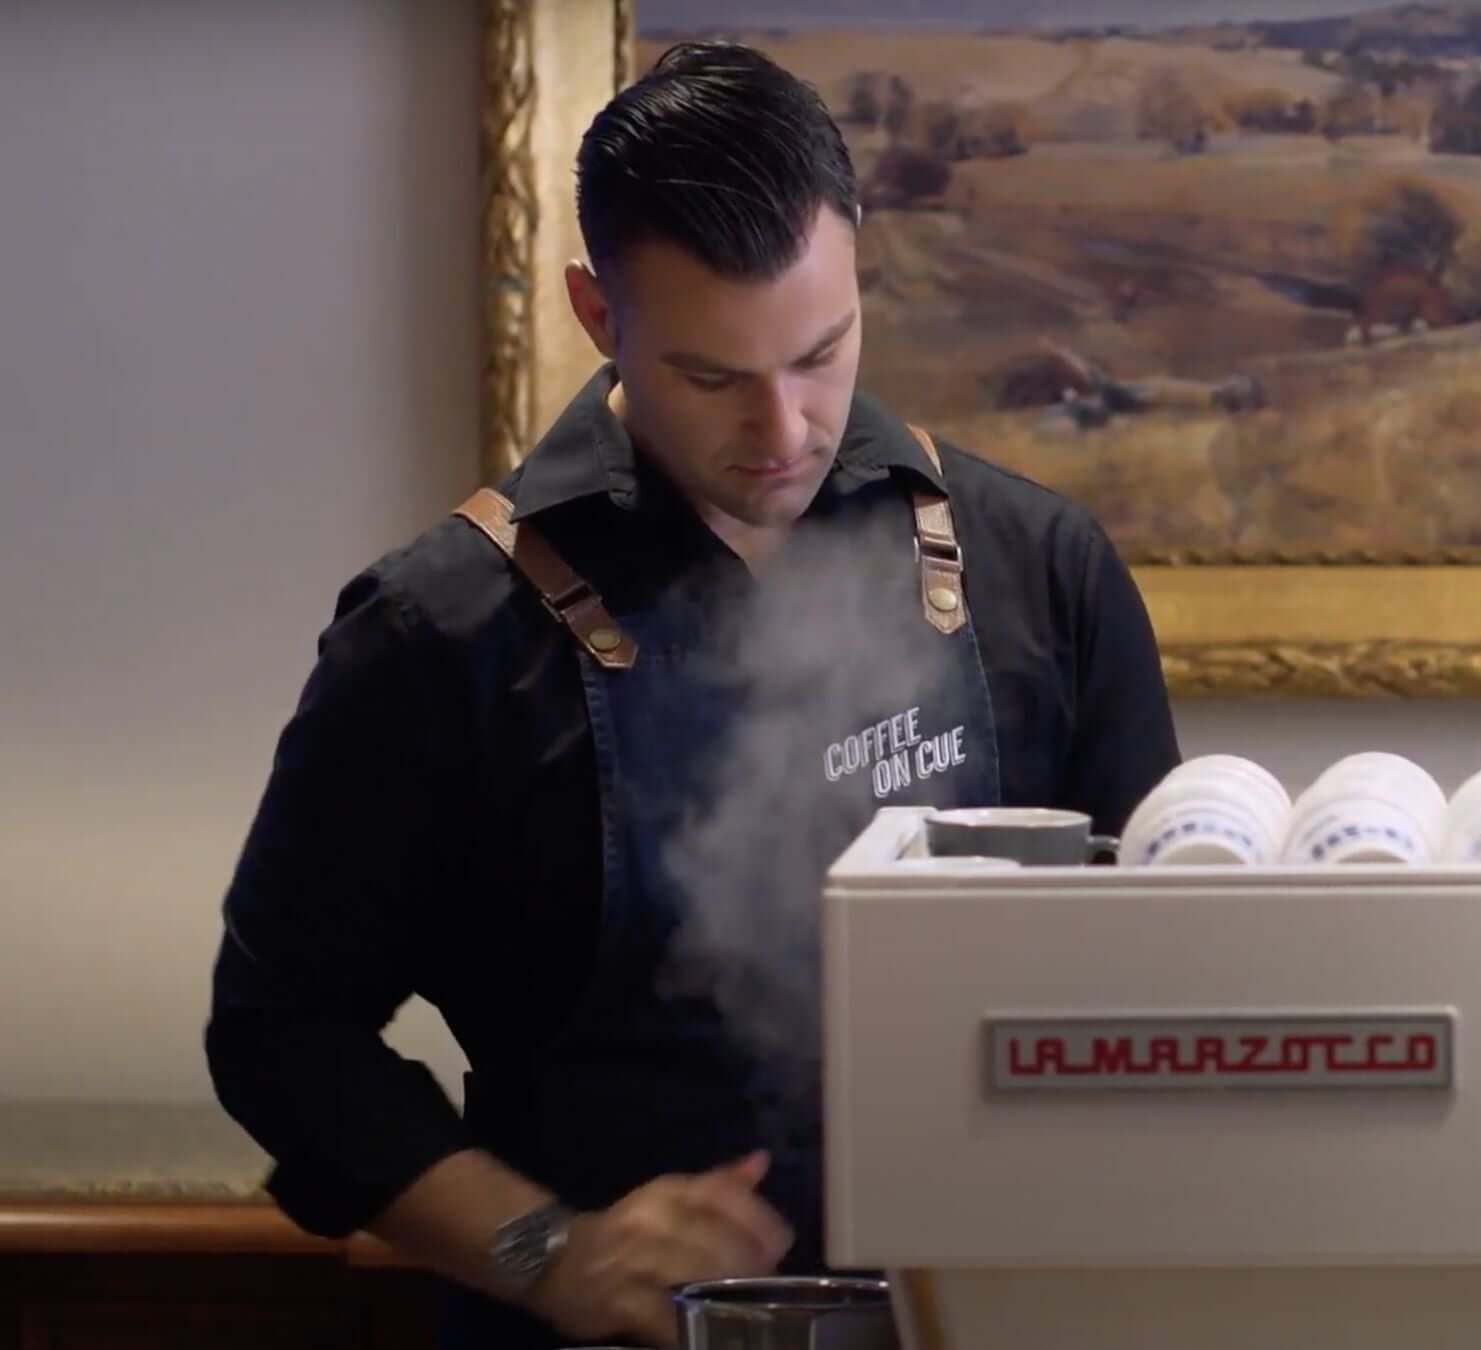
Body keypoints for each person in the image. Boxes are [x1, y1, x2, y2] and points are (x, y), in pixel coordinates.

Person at [205, 42, 1181, 1349]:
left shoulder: (1041, 571)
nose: (783, 428)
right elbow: (279, 1034)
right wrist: (545, 1250)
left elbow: (1171, 991)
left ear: (858, 274)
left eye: (820, 354)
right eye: (714, 377)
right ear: (599, 317)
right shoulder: (437, 636)